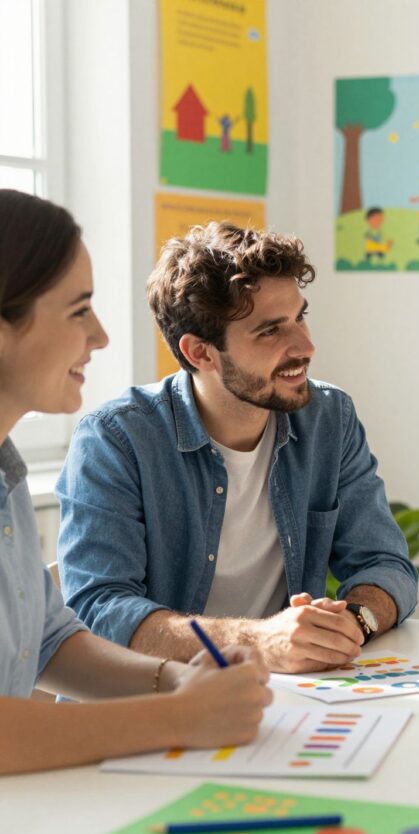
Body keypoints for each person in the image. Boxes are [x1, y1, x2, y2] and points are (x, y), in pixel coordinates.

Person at [57, 222, 418, 674]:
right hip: (151, 696)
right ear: (200, 353)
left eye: (300, 317)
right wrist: (256, 641)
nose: (305, 346)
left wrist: (354, 622)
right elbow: (100, 608)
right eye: (270, 331)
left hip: (280, 689)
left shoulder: (329, 417)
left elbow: (385, 563)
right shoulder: (116, 439)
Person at [0, 189, 271, 775]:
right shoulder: (111, 436)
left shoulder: (6, 469)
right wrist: (178, 717)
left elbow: (50, 643)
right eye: (78, 311)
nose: (100, 337)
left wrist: (179, 681)